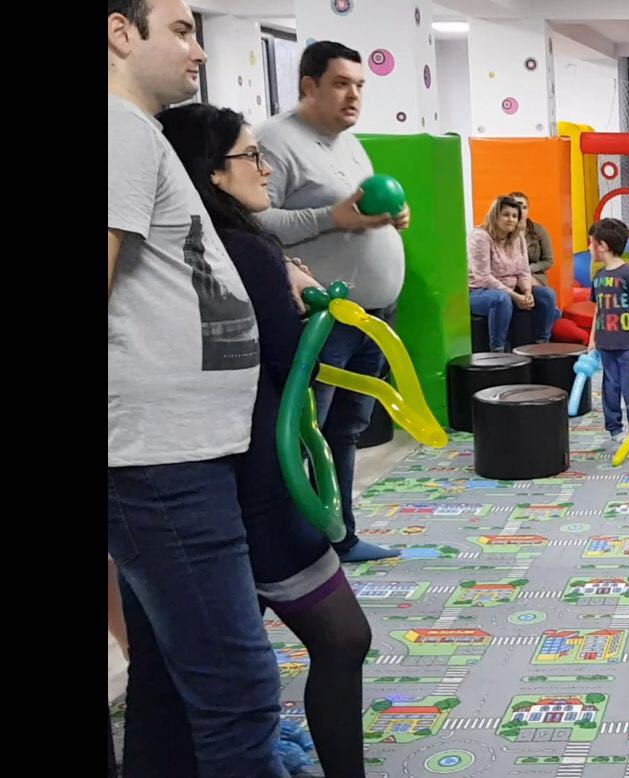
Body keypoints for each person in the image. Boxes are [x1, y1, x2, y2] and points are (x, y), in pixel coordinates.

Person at [154, 100, 377, 778]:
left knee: (217, 644)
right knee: (342, 636)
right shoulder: (246, 250)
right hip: (257, 476)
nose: (265, 167)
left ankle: (267, 743)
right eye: (250, 156)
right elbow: (287, 362)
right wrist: (299, 293)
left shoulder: (182, 247)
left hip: (193, 476)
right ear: (212, 172)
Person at [108, 1, 288, 775]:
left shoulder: (136, 132)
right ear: (121, 34)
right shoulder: (117, 129)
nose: (200, 50)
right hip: (161, 460)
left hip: (179, 454)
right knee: (238, 692)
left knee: (172, 684)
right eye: (181, 30)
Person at [256, 40, 410, 562]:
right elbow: (253, 221)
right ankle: (290, 547)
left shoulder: (350, 142)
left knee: (346, 430)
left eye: (360, 85)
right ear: (309, 85)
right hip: (324, 319)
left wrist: (393, 216)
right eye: (341, 83)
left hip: (372, 317)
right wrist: (330, 218)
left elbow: (360, 207)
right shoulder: (274, 140)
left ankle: (340, 535)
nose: (354, 95)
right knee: (306, 435)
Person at [587, 218, 629, 442]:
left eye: (591, 243)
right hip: (605, 344)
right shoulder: (598, 277)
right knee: (610, 387)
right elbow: (598, 310)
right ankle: (614, 428)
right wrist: (592, 340)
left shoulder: (628, 273)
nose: (589, 247)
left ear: (603, 245)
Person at [467, 196, 536, 352]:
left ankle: (538, 347)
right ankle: (498, 351)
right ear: (495, 216)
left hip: (510, 289)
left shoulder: (518, 237)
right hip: (478, 291)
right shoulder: (480, 237)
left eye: (514, 216)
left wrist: (527, 292)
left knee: (546, 295)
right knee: (501, 300)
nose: (511, 219)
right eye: (506, 214)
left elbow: (523, 270)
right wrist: (515, 296)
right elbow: (483, 278)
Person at [507, 191, 561, 343]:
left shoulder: (539, 231)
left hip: (535, 277)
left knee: (547, 294)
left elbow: (548, 261)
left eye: (524, 207)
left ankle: (543, 341)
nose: (521, 210)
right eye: (516, 206)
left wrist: (528, 270)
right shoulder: (503, 231)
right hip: (509, 278)